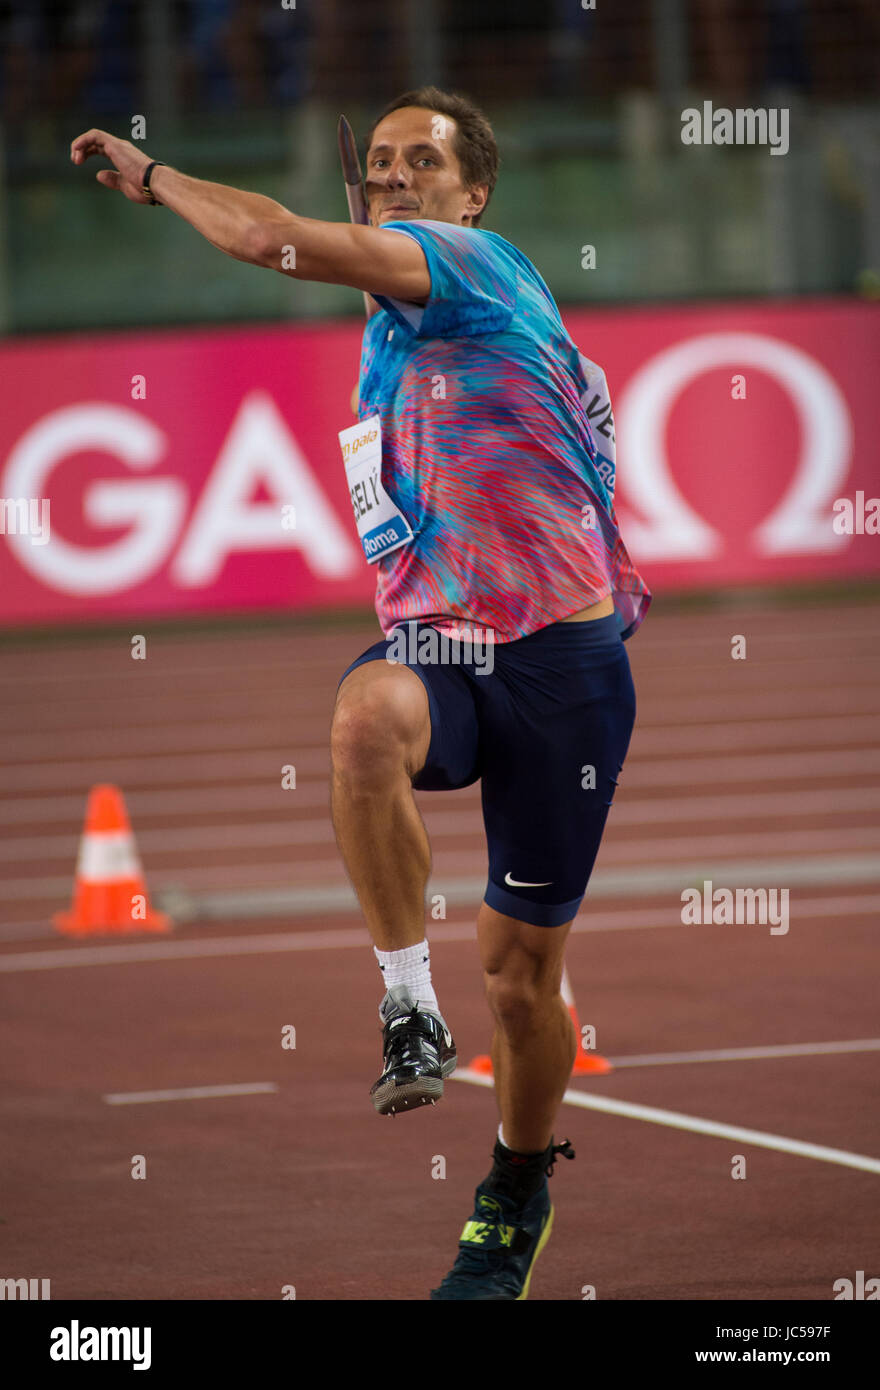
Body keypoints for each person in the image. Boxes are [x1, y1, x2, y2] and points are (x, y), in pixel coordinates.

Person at [70, 85, 651, 1300]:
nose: (393, 176)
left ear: (470, 192)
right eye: (378, 162)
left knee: (523, 977)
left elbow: (260, 236)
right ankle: (405, 1007)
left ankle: (514, 1187)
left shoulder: (473, 263)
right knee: (360, 720)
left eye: (420, 162)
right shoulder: (398, 332)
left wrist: (156, 176)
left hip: (563, 667)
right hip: (443, 651)